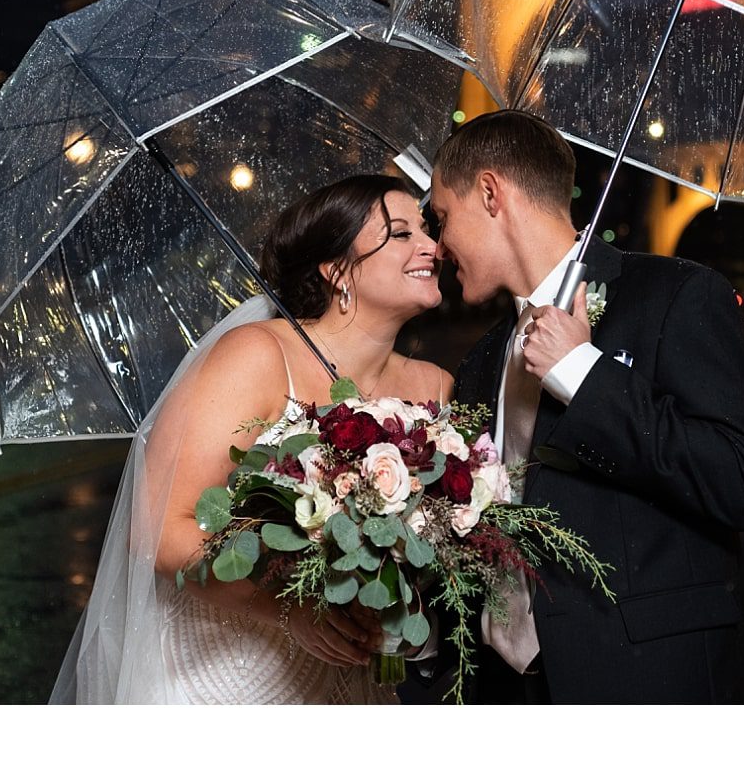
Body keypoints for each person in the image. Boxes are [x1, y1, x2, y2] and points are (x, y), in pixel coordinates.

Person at [52, 174, 451, 703]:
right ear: (337, 272)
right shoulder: (258, 356)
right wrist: (290, 609)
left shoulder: (434, 387)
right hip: (230, 675)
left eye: (427, 229)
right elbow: (159, 528)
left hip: (353, 678)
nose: (432, 246)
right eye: (401, 234)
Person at [423, 110, 744, 703]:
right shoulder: (481, 362)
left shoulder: (677, 295)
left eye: (441, 218)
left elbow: (736, 483)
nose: (437, 246)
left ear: (489, 193)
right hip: (510, 694)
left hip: (646, 685)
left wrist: (584, 375)